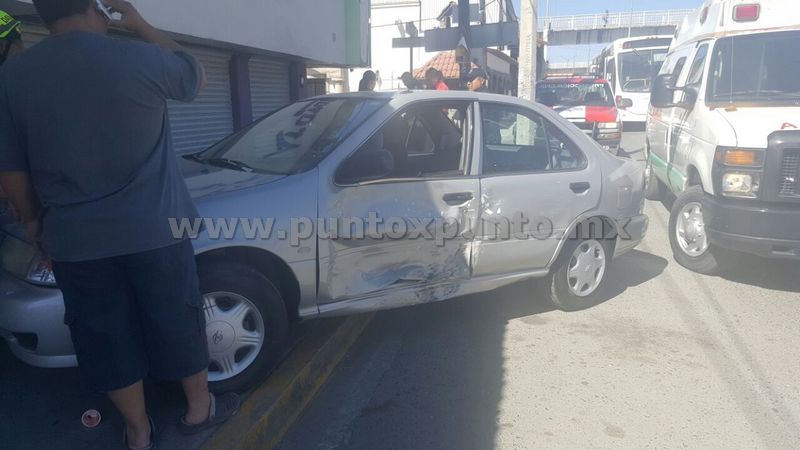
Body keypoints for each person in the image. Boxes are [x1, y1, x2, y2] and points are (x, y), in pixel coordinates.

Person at [0, 1, 240, 448]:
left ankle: (138, 431)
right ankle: (197, 412)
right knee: (177, 320)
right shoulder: (142, 59)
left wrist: (34, 222)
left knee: (105, 337)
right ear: (96, 7)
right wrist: (139, 23)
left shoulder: (13, 77)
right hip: (157, 230)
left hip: (76, 240)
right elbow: (195, 74)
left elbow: (10, 173)